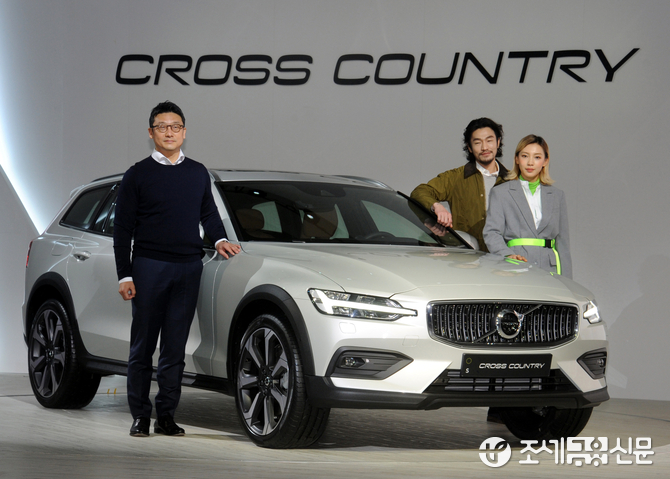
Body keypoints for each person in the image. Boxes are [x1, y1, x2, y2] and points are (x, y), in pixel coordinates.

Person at [113, 101, 241, 437]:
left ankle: (166, 416)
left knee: (175, 348)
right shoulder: (137, 174)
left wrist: (219, 239)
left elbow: (208, 213)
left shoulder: (197, 172)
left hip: (188, 268)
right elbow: (122, 228)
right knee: (142, 347)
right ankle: (140, 416)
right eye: (162, 126)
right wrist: (124, 274)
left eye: (175, 126)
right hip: (149, 267)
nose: (169, 132)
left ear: (184, 132)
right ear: (151, 132)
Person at [411, 117, 509, 251]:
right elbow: (419, 192)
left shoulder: (512, 180)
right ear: (469, 147)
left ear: (498, 142)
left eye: (489, 140)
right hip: (467, 258)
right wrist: (436, 207)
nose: (484, 147)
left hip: (504, 258)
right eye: (477, 142)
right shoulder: (456, 177)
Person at [483, 134, 572, 278]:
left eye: (537, 157)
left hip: (550, 270)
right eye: (525, 156)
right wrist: (507, 255)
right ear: (517, 159)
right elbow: (491, 232)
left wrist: (568, 283)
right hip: (515, 267)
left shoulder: (557, 196)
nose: (530, 163)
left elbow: (563, 243)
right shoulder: (501, 193)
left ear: (545, 161)